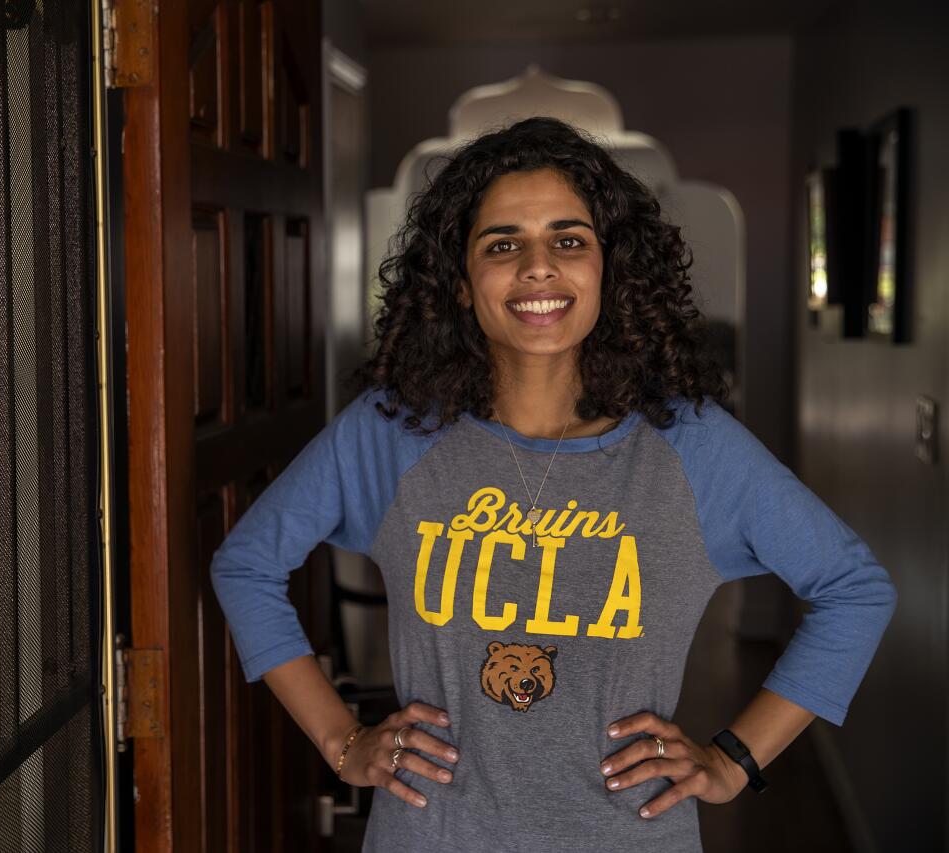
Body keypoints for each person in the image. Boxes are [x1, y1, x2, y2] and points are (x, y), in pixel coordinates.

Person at [209, 116, 898, 852]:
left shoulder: (692, 449)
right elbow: (245, 565)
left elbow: (854, 589)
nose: (538, 267)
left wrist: (734, 761)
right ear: (462, 283)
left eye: (569, 240)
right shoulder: (392, 434)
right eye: (502, 244)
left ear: (609, 269)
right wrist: (342, 741)